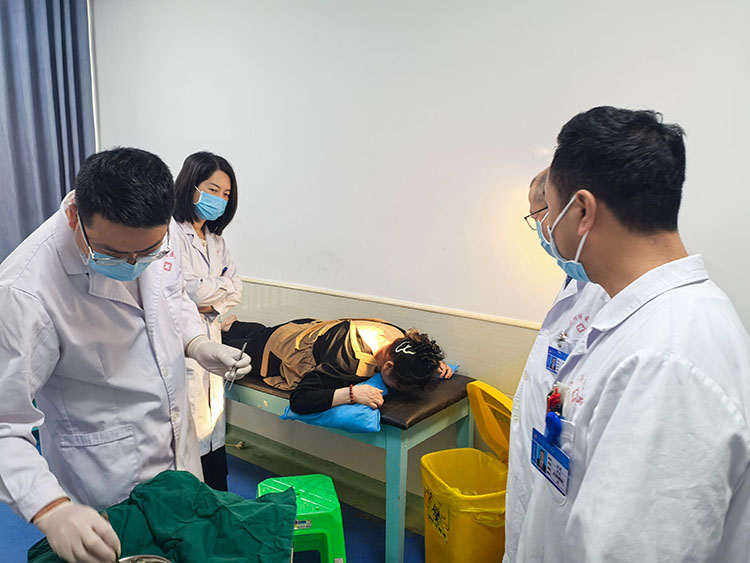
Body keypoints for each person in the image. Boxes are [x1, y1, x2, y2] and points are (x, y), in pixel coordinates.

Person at [507, 107, 750, 562]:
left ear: (581, 211)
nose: (547, 229)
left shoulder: (668, 361)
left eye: (550, 212)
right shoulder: (640, 319)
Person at [0, 148, 251, 563]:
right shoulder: (25, 291)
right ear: (74, 216)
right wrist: (51, 509)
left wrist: (197, 344)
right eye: (114, 255)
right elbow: (4, 423)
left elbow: (174, 299)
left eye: (147, 252)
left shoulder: (160, 235)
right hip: (107, 476)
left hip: (179, 456)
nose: (134, 264)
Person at [504, 169, 609, 562]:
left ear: (575, 210)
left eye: (539, 217)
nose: (542, 233)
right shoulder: (576, 282)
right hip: (545, 461)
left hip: (571, 488)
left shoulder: (609, 295)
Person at [172, 151, 243, 491]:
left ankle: (216, 500)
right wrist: (214, 290)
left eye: (226, 194)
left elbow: (236, 289)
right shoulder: (172, 234)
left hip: (211, 341)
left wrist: (206, 296)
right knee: (187, 447)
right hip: (184, 350)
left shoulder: (216, 241)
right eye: (213, 190)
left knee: (213, 438)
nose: (220, 199)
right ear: (191, 186)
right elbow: (186, 291)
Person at [222, 318, 453, 414]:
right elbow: (300, 400)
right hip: (275, 351)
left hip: (304, 328)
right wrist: (351, 394)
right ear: (388, 367)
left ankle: (232, 324)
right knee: (230, 349)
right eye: (400, 385)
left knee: (261, 332)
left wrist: (430, 363)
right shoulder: (347, 361)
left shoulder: (398, 337)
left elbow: (415, 350)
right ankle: (220, 331)